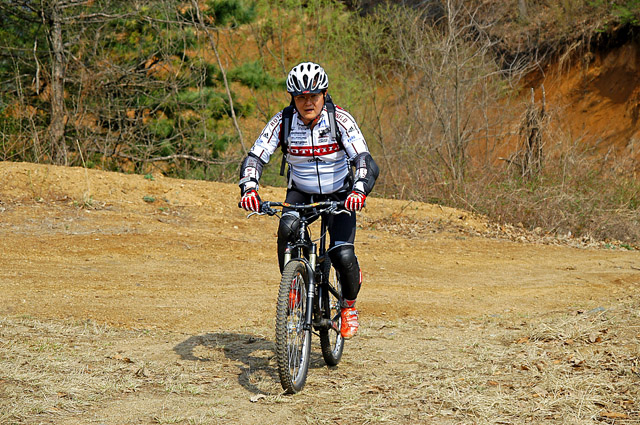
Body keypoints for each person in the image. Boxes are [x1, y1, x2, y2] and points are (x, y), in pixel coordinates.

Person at [238, 62, 379, 338]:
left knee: (342, 254)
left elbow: (364, 160)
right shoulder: (283, 122)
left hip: (339, 192)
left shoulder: (341, 120)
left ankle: (349, 306)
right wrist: (249, 188)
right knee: (287, 229)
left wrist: (359, 190)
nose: (308, 102)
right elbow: (255, 156)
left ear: (324, 94)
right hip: (301, 191)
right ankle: (292, 286)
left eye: (313, 96)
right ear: (293, 98)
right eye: (301, 97)